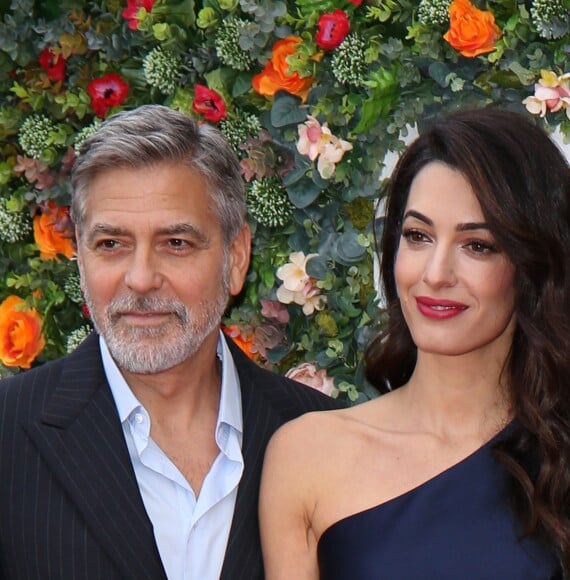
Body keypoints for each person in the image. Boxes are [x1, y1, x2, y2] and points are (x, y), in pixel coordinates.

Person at [0, 104, 342, 580]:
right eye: (111, 245)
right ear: (80, 257)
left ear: (236, 256)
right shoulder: (7, 433)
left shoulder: (327, 441)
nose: (140, 279)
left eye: (175, 243)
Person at [259, 108, 570, 579]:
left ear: (531, 266)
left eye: (477, 245)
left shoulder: (565, 454)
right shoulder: (306, 455)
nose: (435, 274)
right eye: (418, 236)